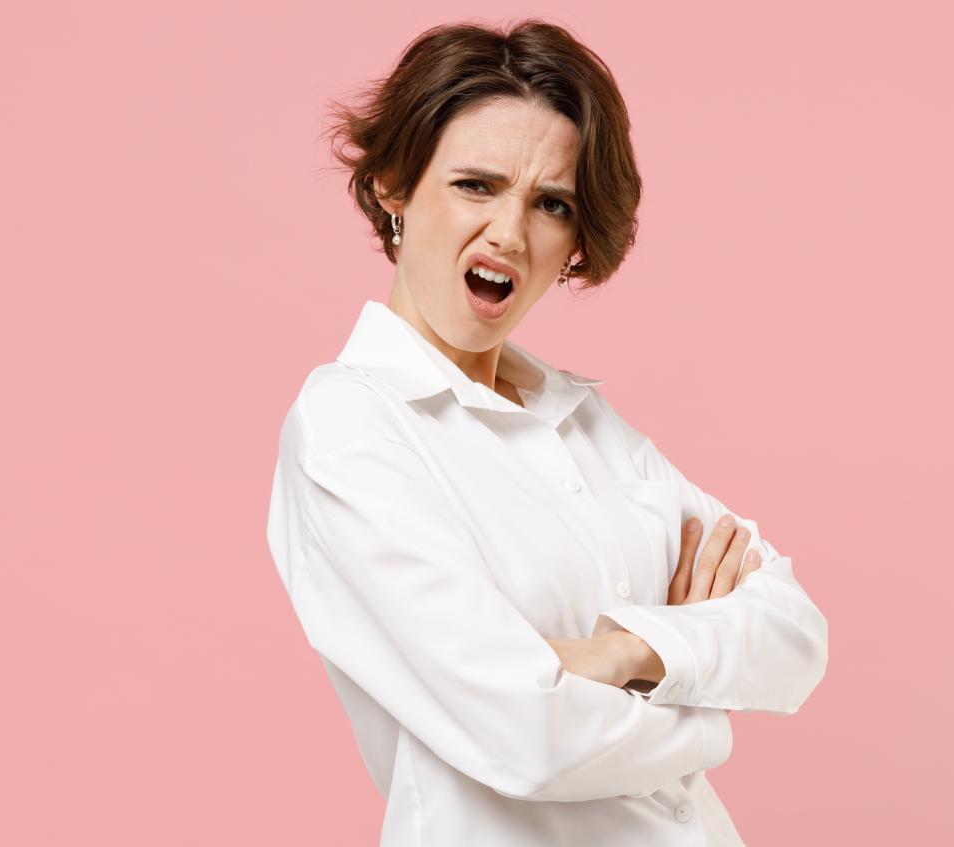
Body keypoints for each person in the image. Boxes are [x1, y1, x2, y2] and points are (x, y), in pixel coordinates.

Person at [265, 18, 828, 847]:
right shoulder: (350, 428)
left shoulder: (585, 423)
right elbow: (528, 735)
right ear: (393, 185)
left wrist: (624, 651)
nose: (509, 234)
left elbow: (795, 632)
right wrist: (707, 714)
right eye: (475, 185)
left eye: (550, 203)